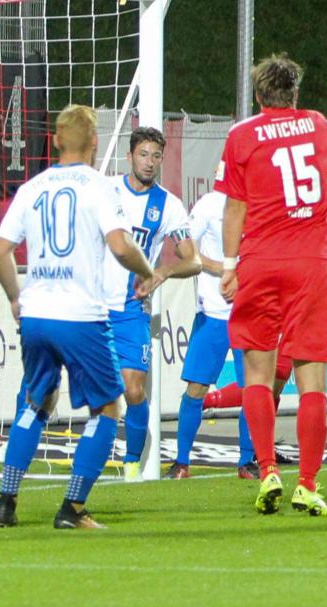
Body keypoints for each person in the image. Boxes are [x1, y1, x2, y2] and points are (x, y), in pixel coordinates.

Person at [0, 104, 155, 528]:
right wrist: (145, 271)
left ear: (56, 141)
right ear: (95, 143)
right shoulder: (99, 188)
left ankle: (5, 503)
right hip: (81, 316)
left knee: (37, 401)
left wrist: (15, 298)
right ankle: (73, 509)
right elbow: (120, 246)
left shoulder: (32, 187)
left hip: (37, 314)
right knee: (106, 409)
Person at [216, 53, 327, 517]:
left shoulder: (242, 135)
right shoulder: (318, 124)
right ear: (295, 93)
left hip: (262, 261)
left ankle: (267, 469)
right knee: (312, 381)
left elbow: (234, 207)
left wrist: (230, 265)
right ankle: (307, 483)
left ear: (257, 95)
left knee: (258, 375)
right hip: (310, 262)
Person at [203, 162, 327, 412]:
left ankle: (261, 448)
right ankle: (205, 401)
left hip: (296, 308)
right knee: (268, 381)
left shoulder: (320, 218)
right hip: (279, 307)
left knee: (276, 383)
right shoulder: (304, 217)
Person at [105, 127, 200, 481]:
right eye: (143, 154)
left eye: (156, 156)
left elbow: (193, 261)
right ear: (129, 156)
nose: (149, 162)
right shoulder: (107, 191)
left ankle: (131, 463)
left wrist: (161, 272)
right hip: (94, 306)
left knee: (133, 389)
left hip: (132, 310)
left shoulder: (167, 205)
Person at [163, 190, 257, 480]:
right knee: (196, 389)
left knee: (254, 391)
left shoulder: (263, 200)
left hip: (251, 313)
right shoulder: (210, 203)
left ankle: (248, 462)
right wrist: (224, 268)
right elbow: (188, 251)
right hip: (213, 314)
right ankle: (181, 462)